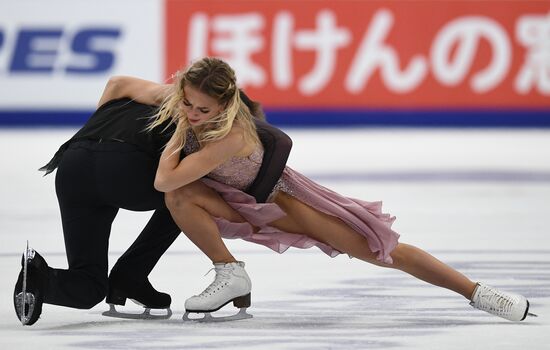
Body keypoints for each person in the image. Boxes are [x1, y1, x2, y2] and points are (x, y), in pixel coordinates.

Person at [147, 56, 532, 322]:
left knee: (385, 252)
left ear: (226, 105)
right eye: (186, 103)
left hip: (285, 203)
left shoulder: (232, 134)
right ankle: (229, 272)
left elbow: (164, 178)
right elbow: (119, 85)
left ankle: (478, 293)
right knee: (180, 197)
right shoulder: (184, 101)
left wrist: (179, 130)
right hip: (239, 202)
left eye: (203, 110)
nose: (192, 114)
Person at [13, 74, 293, 325]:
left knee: (89, 286)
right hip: (124, 168)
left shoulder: (168, 96)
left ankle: (41, 279)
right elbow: (277, 141)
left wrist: (99, 137)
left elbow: (115, 83)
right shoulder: (210, 120)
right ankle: (130, 274)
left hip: (73, 165)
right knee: (185, 195)